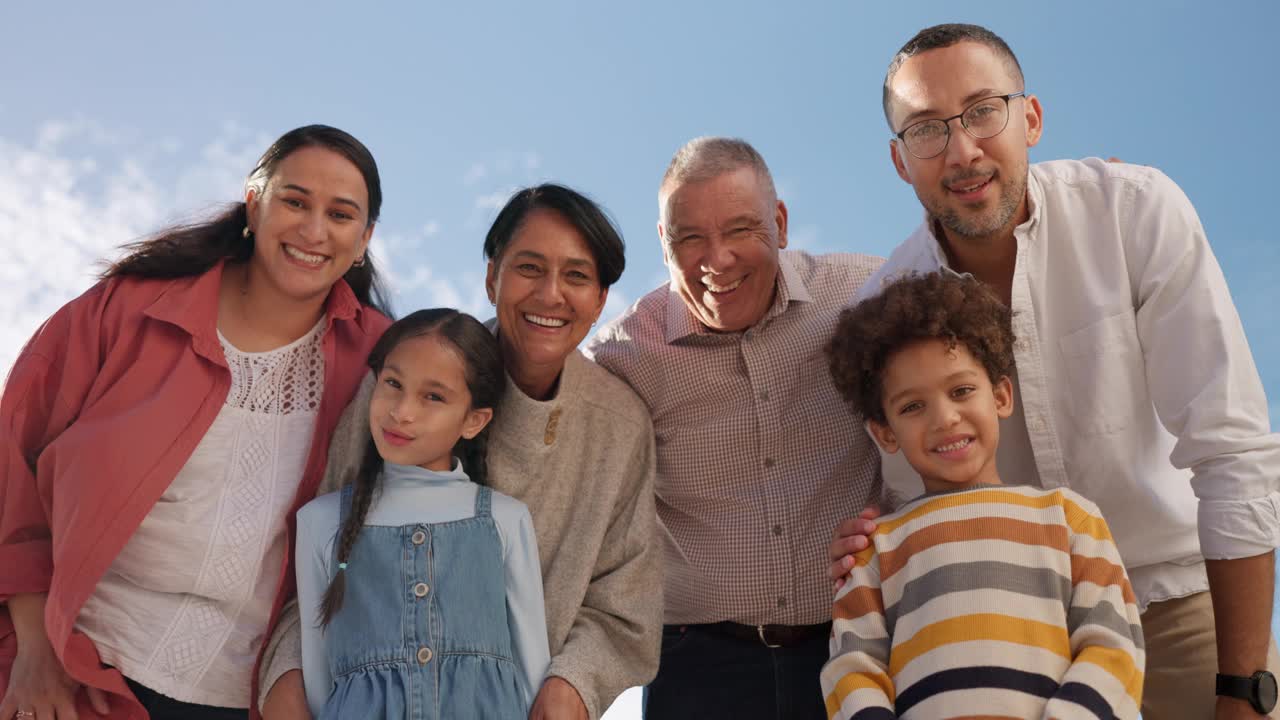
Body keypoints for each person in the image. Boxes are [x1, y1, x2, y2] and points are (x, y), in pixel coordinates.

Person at [827, 23, 1280, 720]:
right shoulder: (887, 302)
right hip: (1004, 635)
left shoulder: (1133, 210)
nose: (962, 150)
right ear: (899, 161)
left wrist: (1245, 688)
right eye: (925, 129)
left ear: (1030, 118)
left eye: (983, 111)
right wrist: (871, 539)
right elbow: (911, 497)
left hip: (1183, 606)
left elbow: (1233, 449)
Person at [0, 125, 394, 720]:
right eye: (294, 201)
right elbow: (12, 465)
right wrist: (34, 650)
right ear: (254, 205)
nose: (314, 231)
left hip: (247, 698)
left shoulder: (382, 362)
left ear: (363, 239)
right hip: (74, 667)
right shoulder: (125, 311)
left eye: (340, 215)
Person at [261, 183, 662, 720]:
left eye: (576, 276)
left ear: (600, 300)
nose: (550, 294)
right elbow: (321, 554)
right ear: (492, 277)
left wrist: (571, 686)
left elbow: (624, 605)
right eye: (528, 268)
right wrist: (286, 678)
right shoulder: (399, 385)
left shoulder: (619, 427)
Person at [585, 137, 884, 719]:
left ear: (780, 222)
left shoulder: (864, 295)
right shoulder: (622, 356)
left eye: (741, 229)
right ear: (663, 243)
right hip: (696, 669)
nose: (715, 260)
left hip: (859, 648)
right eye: (690, 238)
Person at [820, 271, 1144, 720]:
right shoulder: (877, 549)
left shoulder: (1071, 520)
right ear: (884, 433)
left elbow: (1114, 646)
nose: (945, 418)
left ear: (1002, 396)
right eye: (912, 406)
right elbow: (852, 671)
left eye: (961, 391)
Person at [296, 308, 550, 718]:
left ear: (473, 420)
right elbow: (318, 681)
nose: (402, 411)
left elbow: (532, 672)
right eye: (393, 383)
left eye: (433, 396)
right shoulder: (320, 521)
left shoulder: (505, 520)